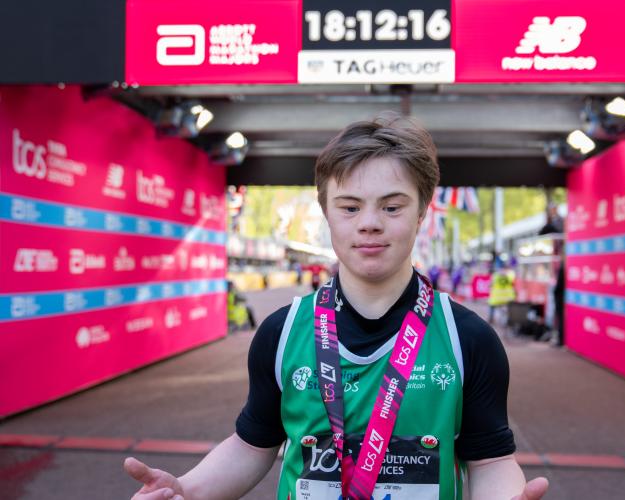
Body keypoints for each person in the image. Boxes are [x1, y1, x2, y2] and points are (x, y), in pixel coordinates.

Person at [124, 113, 548, 500]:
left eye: (392, 206)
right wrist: (187, 491)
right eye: (349, 206)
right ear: (326, 211)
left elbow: (490, 461)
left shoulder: (467, 338)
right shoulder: (282, 332)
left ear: (422, 211)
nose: (369, 222)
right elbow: (253, 446)